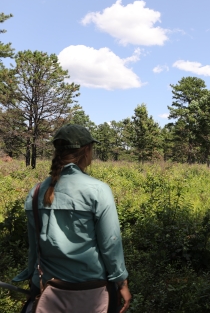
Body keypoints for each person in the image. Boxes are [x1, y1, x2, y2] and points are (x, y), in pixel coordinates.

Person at [13, 124, 131, 313]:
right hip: (92, 292)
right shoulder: (98, 190)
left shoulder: (35, 193)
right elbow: (111, 244)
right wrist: (121, 282)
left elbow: (34, 247)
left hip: (48, 289)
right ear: (86, 150)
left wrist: (33, 279)